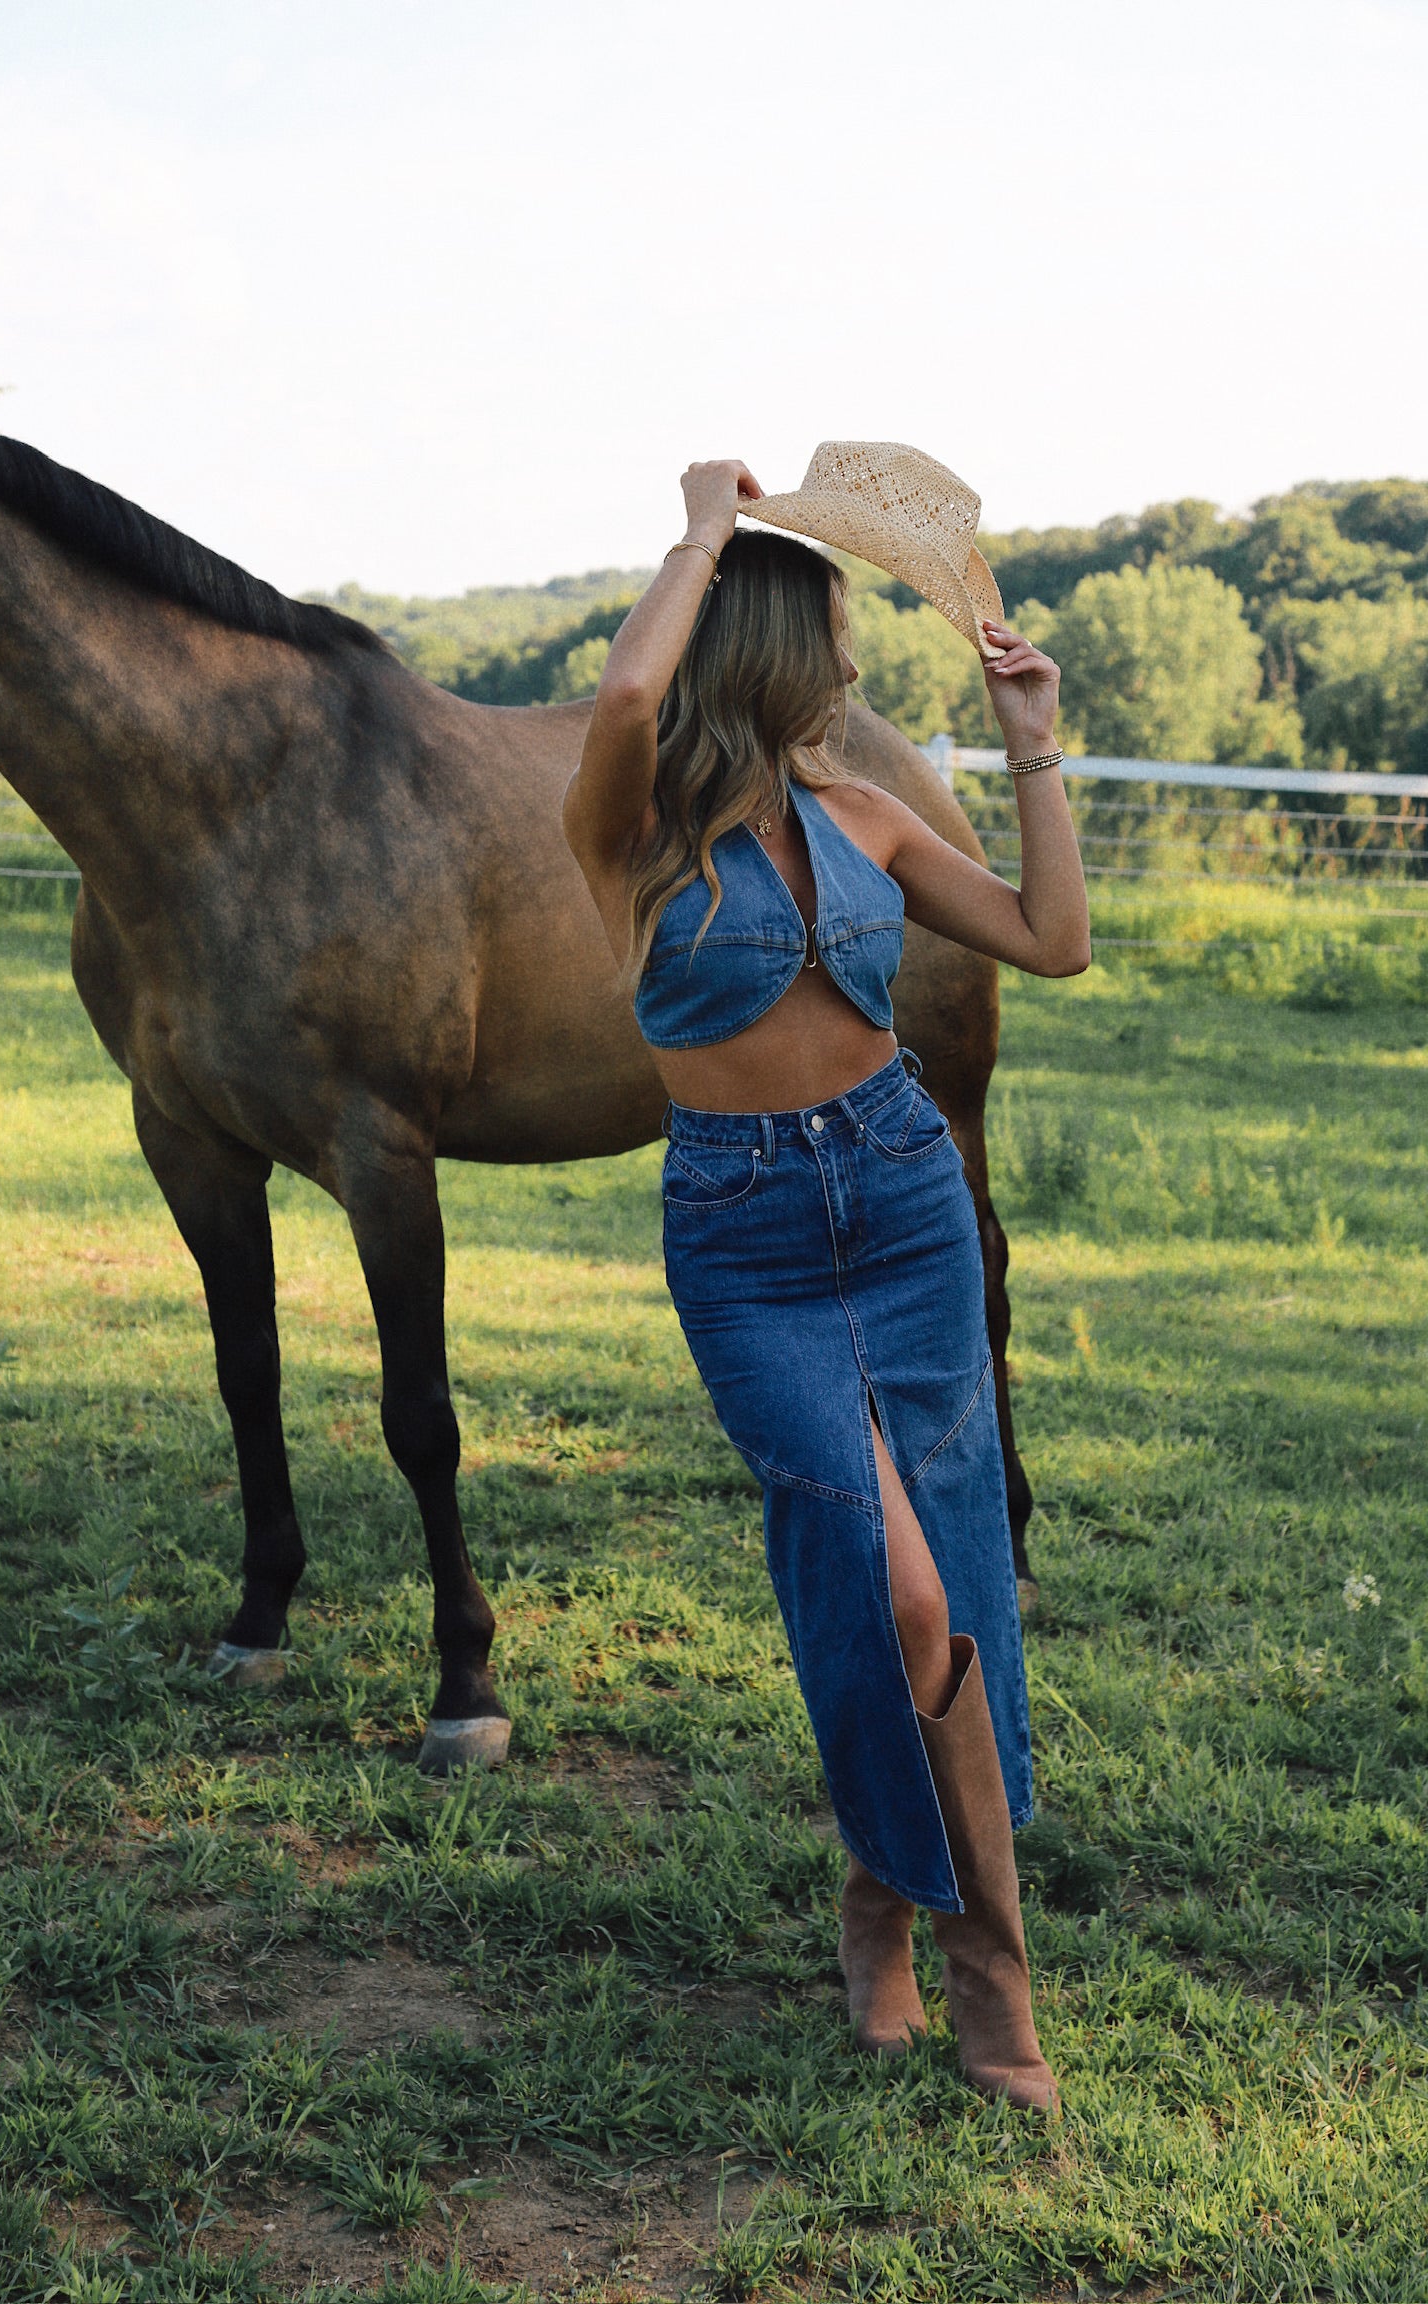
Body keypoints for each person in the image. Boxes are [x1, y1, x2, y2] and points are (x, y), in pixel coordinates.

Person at [562, 447, 1089, 2113]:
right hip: (749, 1243)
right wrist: (705, 537)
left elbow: (1053, 938)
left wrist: (1029, 751)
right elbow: (634, 681)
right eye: (837, 640)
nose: (855, 671)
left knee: (964, 1595)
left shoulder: (866, 816)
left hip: (903, 1197)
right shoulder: (626, 831)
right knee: (886, 1580)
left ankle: (952, 1946)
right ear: (770, 651)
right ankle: (906, 1899)